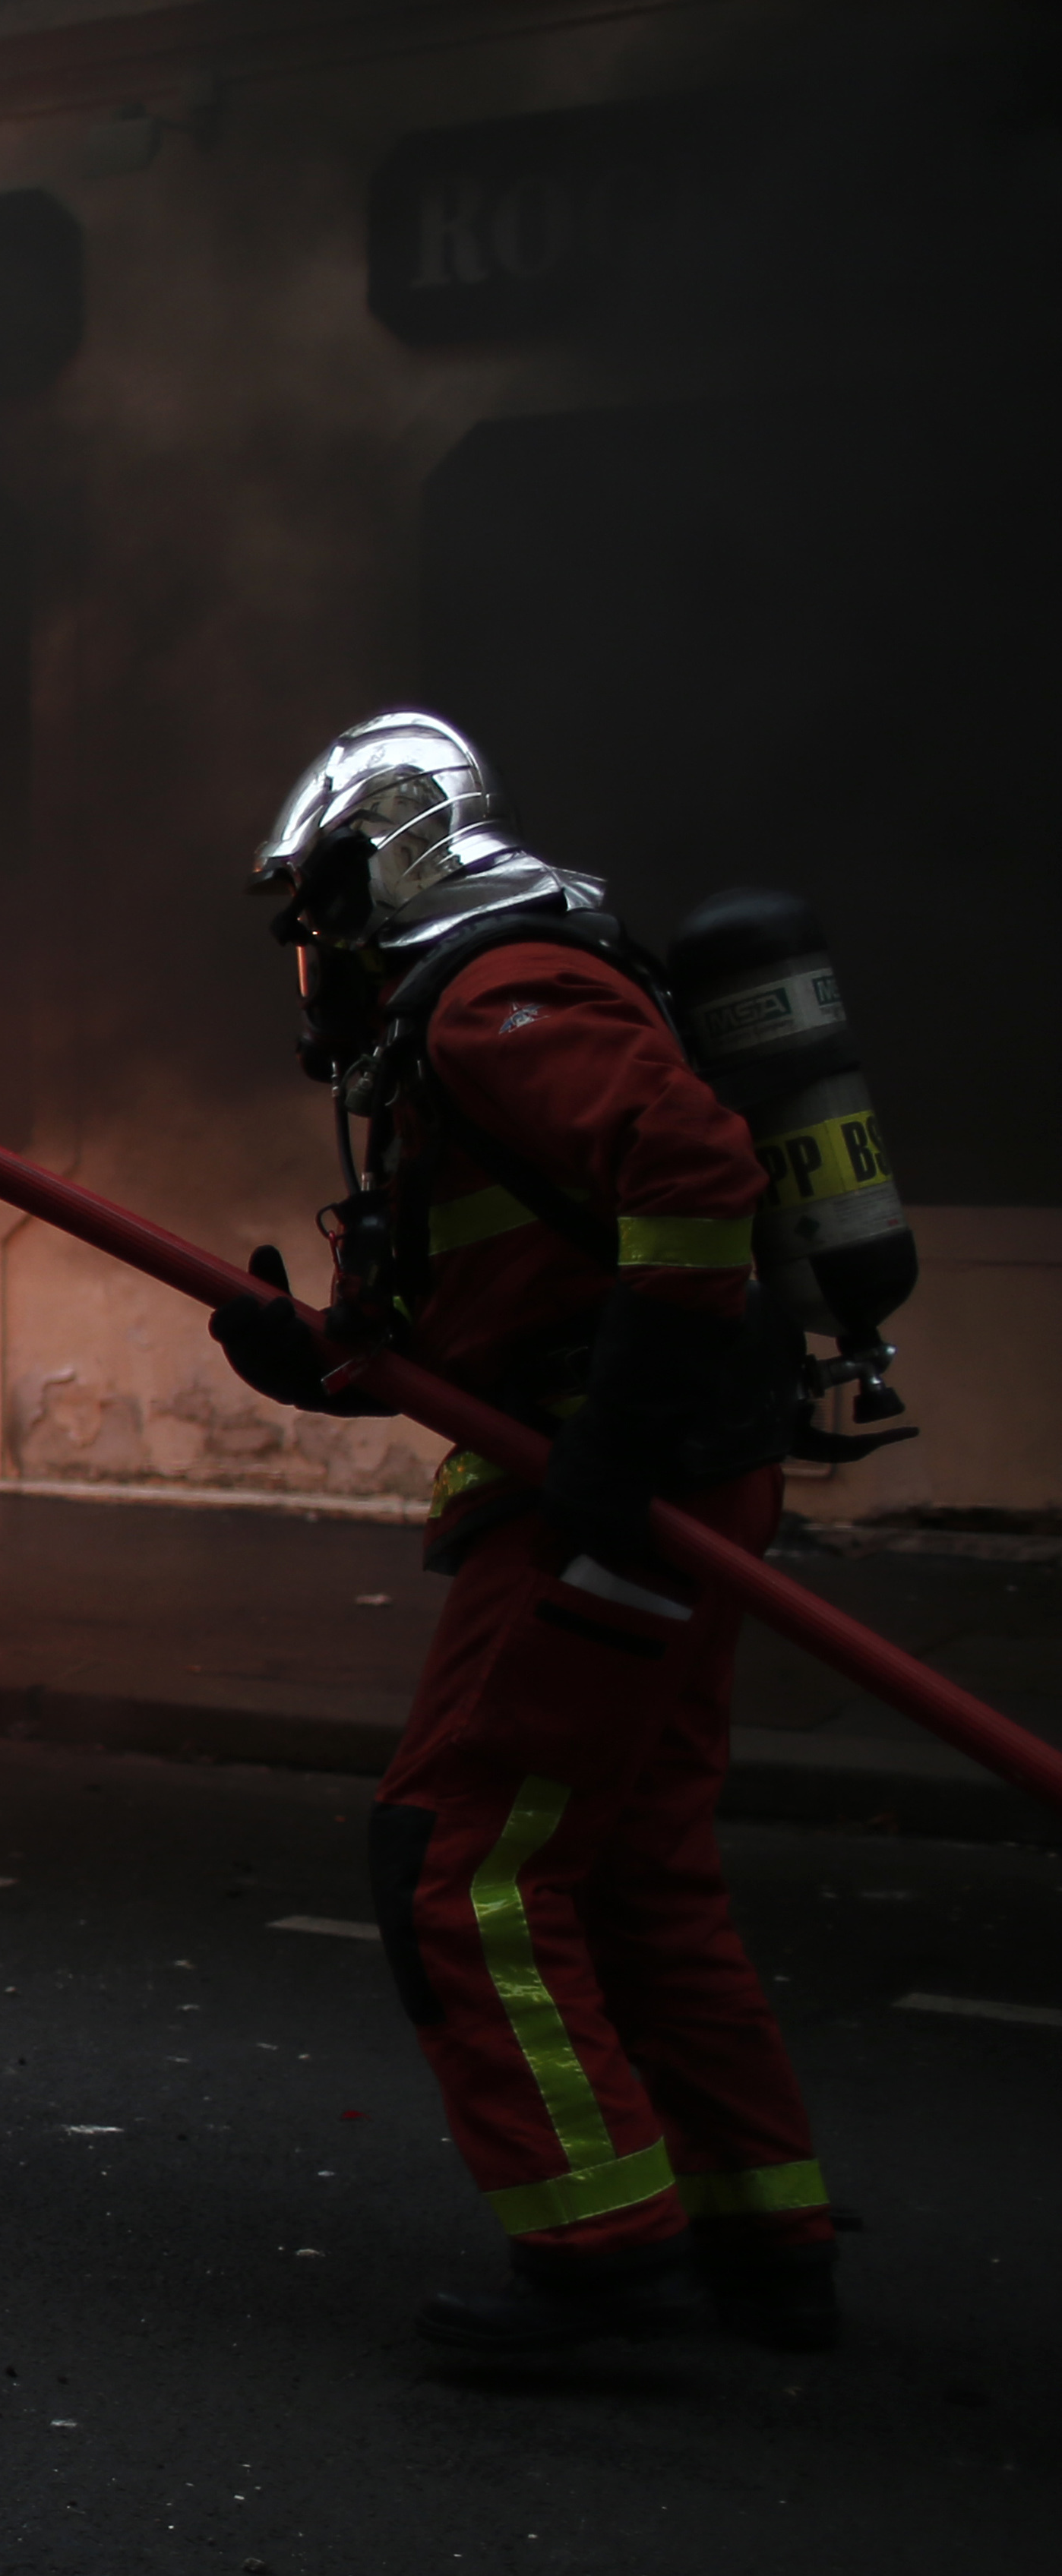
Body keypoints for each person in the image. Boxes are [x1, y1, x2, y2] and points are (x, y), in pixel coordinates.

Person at [210, 713, 833, 2352]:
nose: (310, 958)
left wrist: (613, 1447)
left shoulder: (495, 992)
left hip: (618, 1496)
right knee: (633, 1864)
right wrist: (316, 1358)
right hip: (661, 1477)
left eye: (317, 910)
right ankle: (764, 2234)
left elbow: (695, 1180)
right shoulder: (481, 1006)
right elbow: (478, 1314)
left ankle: (601, 2261)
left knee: (462, 1863)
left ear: (379, 868)